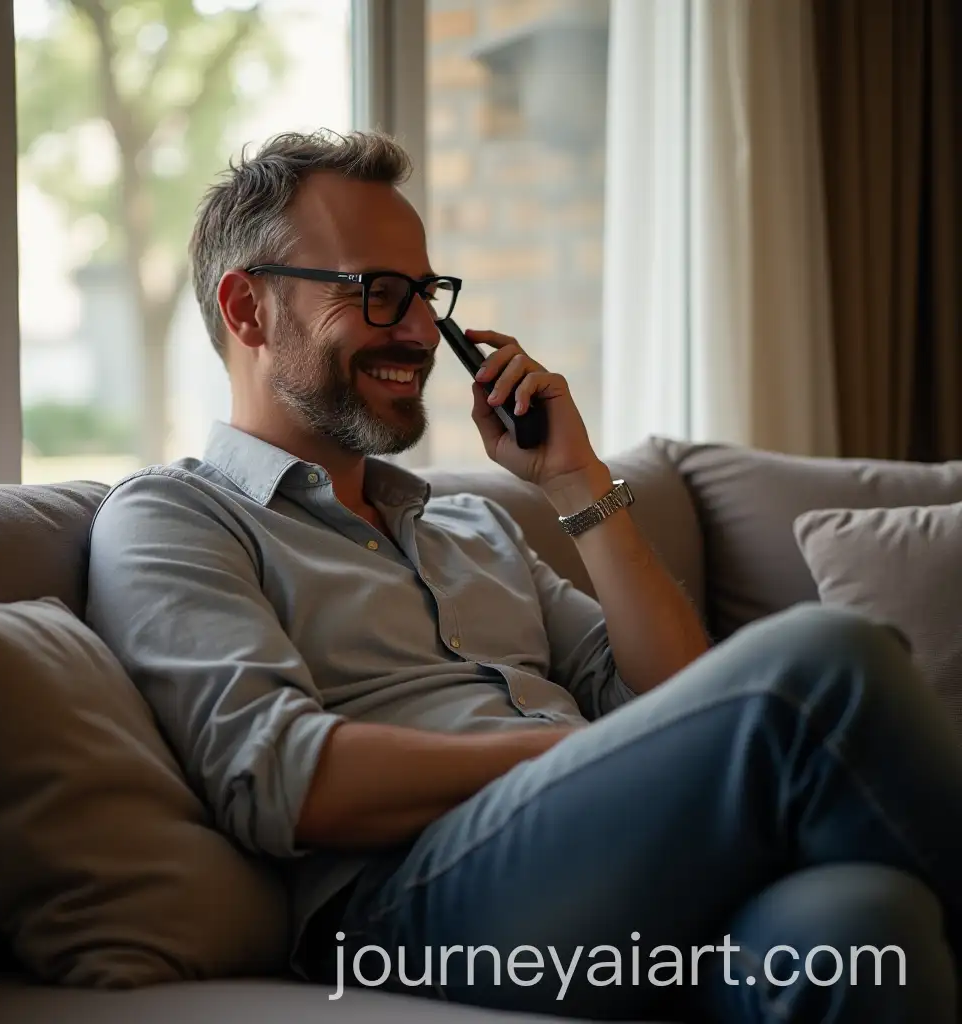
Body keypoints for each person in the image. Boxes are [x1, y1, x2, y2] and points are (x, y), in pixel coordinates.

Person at [85, 130, 962, 1023]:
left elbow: (672, 692)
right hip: (401, 901)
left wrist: (578, 482)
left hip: (598, 862)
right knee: (829, 662)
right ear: (247, 310)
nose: (421, 332)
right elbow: (278, 778)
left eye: (427, 295)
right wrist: (578, 755)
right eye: (379, 292)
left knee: (861, 926)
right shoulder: (175, 517)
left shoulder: (472, 526)